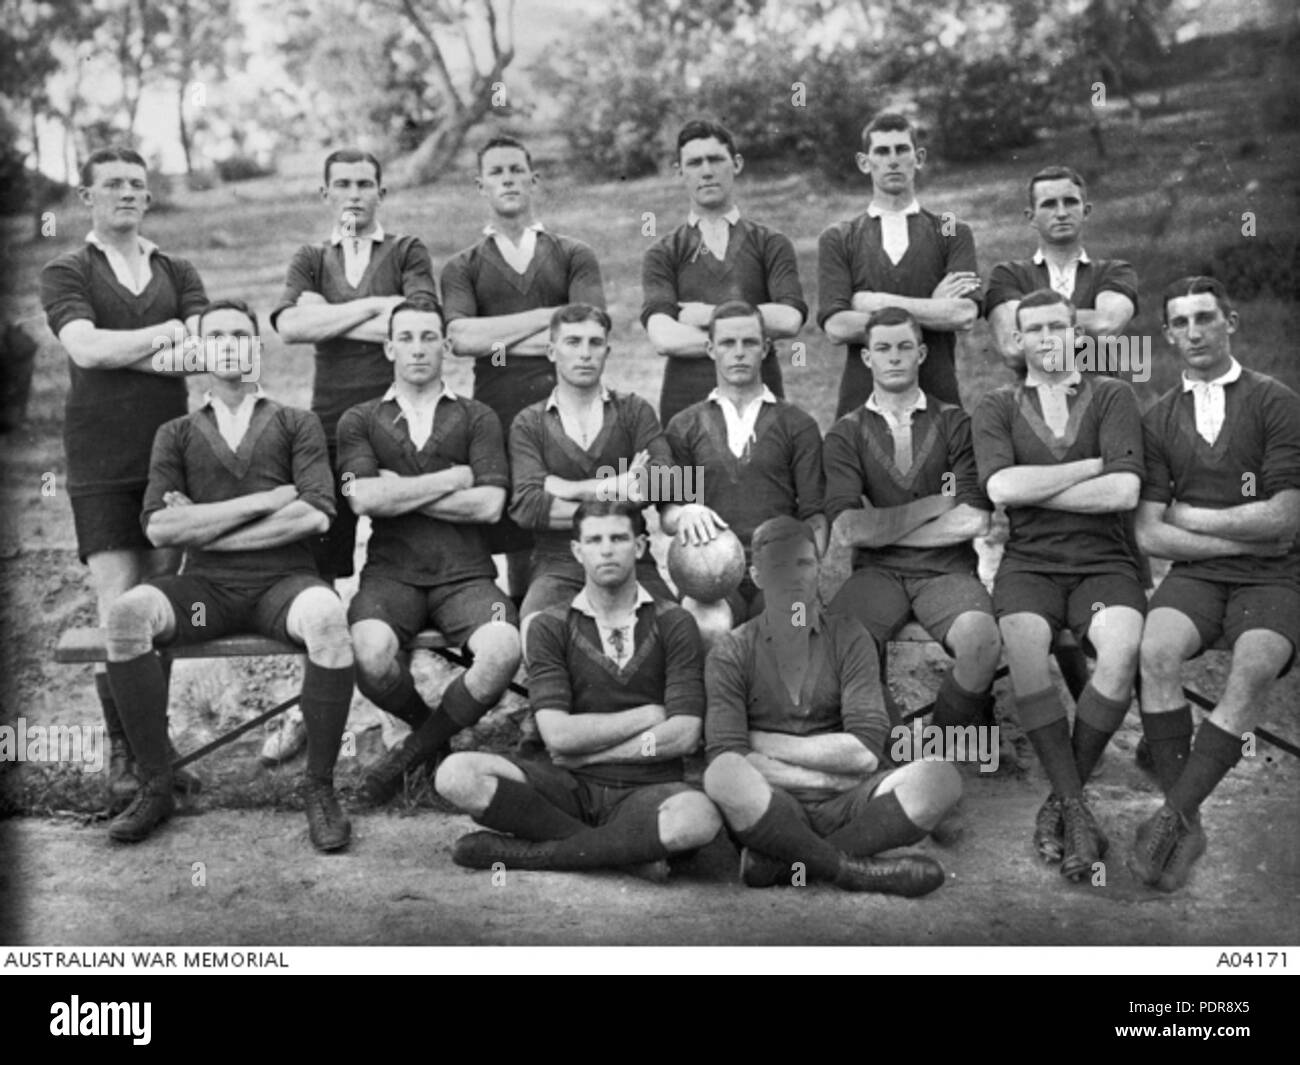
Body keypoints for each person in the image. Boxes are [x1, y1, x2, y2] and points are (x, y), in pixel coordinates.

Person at [101, 299, 354, 851]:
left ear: (256, 349)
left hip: (283, 586)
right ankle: (157, 782)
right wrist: (265, 501)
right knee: (125, 617)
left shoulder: (296, 422)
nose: (230, 345)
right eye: (215, 336)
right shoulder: (176, 433)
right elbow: (160, 530)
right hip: (205, 591)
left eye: (241, 334)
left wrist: (201, 522)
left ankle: (319, 788)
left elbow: (313, 514)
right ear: (200, 352)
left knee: (331, 619)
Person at [39, 146, 208, 811]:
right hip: (100, 458)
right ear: (87, 197)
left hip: (170, 456)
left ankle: (155, 755)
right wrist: (163, 335)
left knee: (160, 602)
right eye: (112, 184)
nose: (128, 194)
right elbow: (83, 348)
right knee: (119, 600)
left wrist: (133, 347)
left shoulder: (176, 268)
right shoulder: (65, 269)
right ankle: (123, 758)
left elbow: (203, 351)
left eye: (137, 184)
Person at [436, 500, 721, 879]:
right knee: (455, 774)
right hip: (565, 788)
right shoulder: (550, 626)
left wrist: (592, 754)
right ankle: (627, 855)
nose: (606, 549)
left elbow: (684, 735)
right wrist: (648, 716)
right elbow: (558, 736)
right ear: (577, 551)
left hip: (646, 789)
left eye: (619, 538)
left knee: (698, 818)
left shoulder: (674, 622)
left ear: (638, 547)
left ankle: (538, 855)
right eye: (595, 540)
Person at [1131, 277, 1300, 892]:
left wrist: (1187, 515)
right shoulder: (1157, 418)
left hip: (1276, 575)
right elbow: (1149, 533)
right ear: (1168, 334)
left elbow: (1285, 516)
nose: (1195, 332)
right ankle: (1188, 817)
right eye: (1181, 323)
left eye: (1206, 318)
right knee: (1154, 651)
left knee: (1254, 667)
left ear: (1231, 321)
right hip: (1198, 573)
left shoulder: (1275, 400)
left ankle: (1173, 814)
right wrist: (1235, 536)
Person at [971, 289, 1146, 883]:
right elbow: (998, 489)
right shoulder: (996, 405)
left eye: (1058, 326)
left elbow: (1125, 494)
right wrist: (1093, 465)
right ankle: (1076, 807)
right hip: (1030, 564)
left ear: (1077, 331)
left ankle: (1061, 803)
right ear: (1017, 341)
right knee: (1023, 650)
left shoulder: (1115, 394)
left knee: (1120, 653)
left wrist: (1038, 483)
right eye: (1033, 329)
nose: (1047, 338)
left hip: (1105, 562)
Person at [703, 515, 956, 895]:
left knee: (941, 779)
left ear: (818, 568)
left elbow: (864, 754)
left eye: (803, 563)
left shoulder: (850, 636)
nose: (793, 576)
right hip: (774, 804)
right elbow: (727, 754)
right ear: (756, 576)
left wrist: (763, 743)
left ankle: (782, 866)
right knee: (723, 775)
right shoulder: (732, 650)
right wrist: (823, 777)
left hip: (849, 802)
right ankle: (853, 871)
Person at [337, 300, 521, 804]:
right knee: (368, 652)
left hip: (466, 576)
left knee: (503, 647)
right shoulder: (360, 419)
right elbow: (363, 497)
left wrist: (403, 492)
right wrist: (451, 479)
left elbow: (488, 505)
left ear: (445, 346)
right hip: (390, 576)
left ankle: (407, 756)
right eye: (407, 338)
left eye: (428, 337)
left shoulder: (476, 416)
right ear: (389, 347)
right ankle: (429, 738)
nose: (418, 348)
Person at [441, 136, 606, 603]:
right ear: (480, 186)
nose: (508, 179)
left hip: (569, 404)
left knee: (578, 515)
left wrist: (502, 332)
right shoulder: (464, 266)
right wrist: (551, 319)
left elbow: (589, 328)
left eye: (517, 170)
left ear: (534, 179)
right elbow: (462, 339)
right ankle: (531, 651)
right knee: (519, 530)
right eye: (496, 172)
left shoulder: (573, 253)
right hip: (501, 406)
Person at [824, 307, 1001, 732]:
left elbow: (974, 520)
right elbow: (849, 529)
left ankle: (938, 743)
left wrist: (884, 530)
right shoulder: (845, 433)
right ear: (867, 358)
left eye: (905, 347)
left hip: (947, 572)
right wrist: (935, 504)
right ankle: (884, 743)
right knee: (839, 643)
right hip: (877, 574)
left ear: (922, 353)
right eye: (882, 348)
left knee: (982, 641)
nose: (894, 357)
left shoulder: (956, 422)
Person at [271, 148, 438, 582]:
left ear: (380, 193)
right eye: (342, 184)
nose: (353, 194)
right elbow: (290, 327)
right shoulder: (311, 258)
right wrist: (380, 307)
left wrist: (326, 317)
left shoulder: (406, 251)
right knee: (323, 551)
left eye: (364, 184)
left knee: (409, 551)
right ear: (324, 193)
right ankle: (326, 648)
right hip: (330, 422)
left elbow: (420, 325)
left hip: (399, 419)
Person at [661, 301, 825, 639]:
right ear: (710, 349)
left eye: (749, 342)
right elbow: (667, 515)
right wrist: (684, 512)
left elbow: (816, 517)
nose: (738, 353)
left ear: (765, 348)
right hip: (710, 570)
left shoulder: (798, 424)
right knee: (706, 624)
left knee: (789, 623)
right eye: (727, 343)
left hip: (778, 568)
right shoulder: (683, 425)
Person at [509, 303, 675, 633]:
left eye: (594, 343)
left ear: (607, 351)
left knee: (676, 629)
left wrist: (569, 488)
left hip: (631, 561)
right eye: (573, 342)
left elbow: (665, 479)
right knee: (535, 629)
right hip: (558, 565)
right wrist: (613, 486)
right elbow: (528, 507)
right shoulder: (529, 423)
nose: (585, 354)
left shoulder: (633, 411)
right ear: (551, 351)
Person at [640, 118, 807, 426]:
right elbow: (664, 337)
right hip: (686, 400)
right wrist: (750, 334)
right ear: (679, 171)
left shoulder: (770, 243)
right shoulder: (663, 252)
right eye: (694, 163)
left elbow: (789, 319)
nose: (706, 171)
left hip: (760, 399)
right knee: (689, 476)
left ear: (737, 164)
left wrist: (707, 315)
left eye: (715, 159)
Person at [818, 113, 980, 417]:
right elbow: (838, 327)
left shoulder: (952, 231)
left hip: (937, 394)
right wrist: (932, 308)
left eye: (901, 150)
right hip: (862, 400)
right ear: (864, 162)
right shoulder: (840, 238)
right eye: (881, 151)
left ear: (918, 158)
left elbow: (964, 313)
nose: (892, 160)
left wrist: (875, 303)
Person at [985, 166, 1139, 371]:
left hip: (1101, 398)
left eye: (1070, 202)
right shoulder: (1009, 275)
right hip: (1036, 400)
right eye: (1049, 205)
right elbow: (1013, 350)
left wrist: (1034, 330)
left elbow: (1106, 325)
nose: (1061, 213)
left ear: (1086, 211)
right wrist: (1084, 338)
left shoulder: (1115, 271)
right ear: (1031, 217)